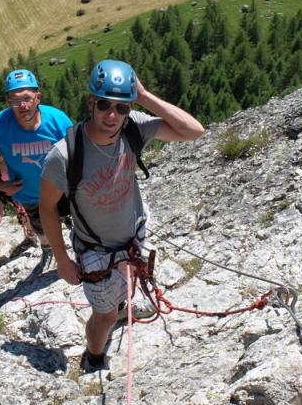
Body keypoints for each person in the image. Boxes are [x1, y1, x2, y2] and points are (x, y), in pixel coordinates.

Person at [38, 59, 204, 373]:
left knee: (123, 292)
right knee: (105, 316)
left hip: (133, 236)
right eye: (104, 105)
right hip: (97, 250)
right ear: (91, 102)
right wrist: (62, 259)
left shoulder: (133, 129)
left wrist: (144, 96)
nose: (112, 115)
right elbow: (46, 207)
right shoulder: (65, 155)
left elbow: (193, 131)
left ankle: (122, 301)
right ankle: (94, 357)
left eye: (121, 107)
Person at [0, 69, 74, 290]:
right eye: (15, 101)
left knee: (79, 224)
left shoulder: (58, 120)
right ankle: (48, 251)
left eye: (27, 98)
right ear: (8, 102)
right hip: (30, 195)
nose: (22, 106)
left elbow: (76, 150)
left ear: (38, 97)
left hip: (61, 187)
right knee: (42, 230)